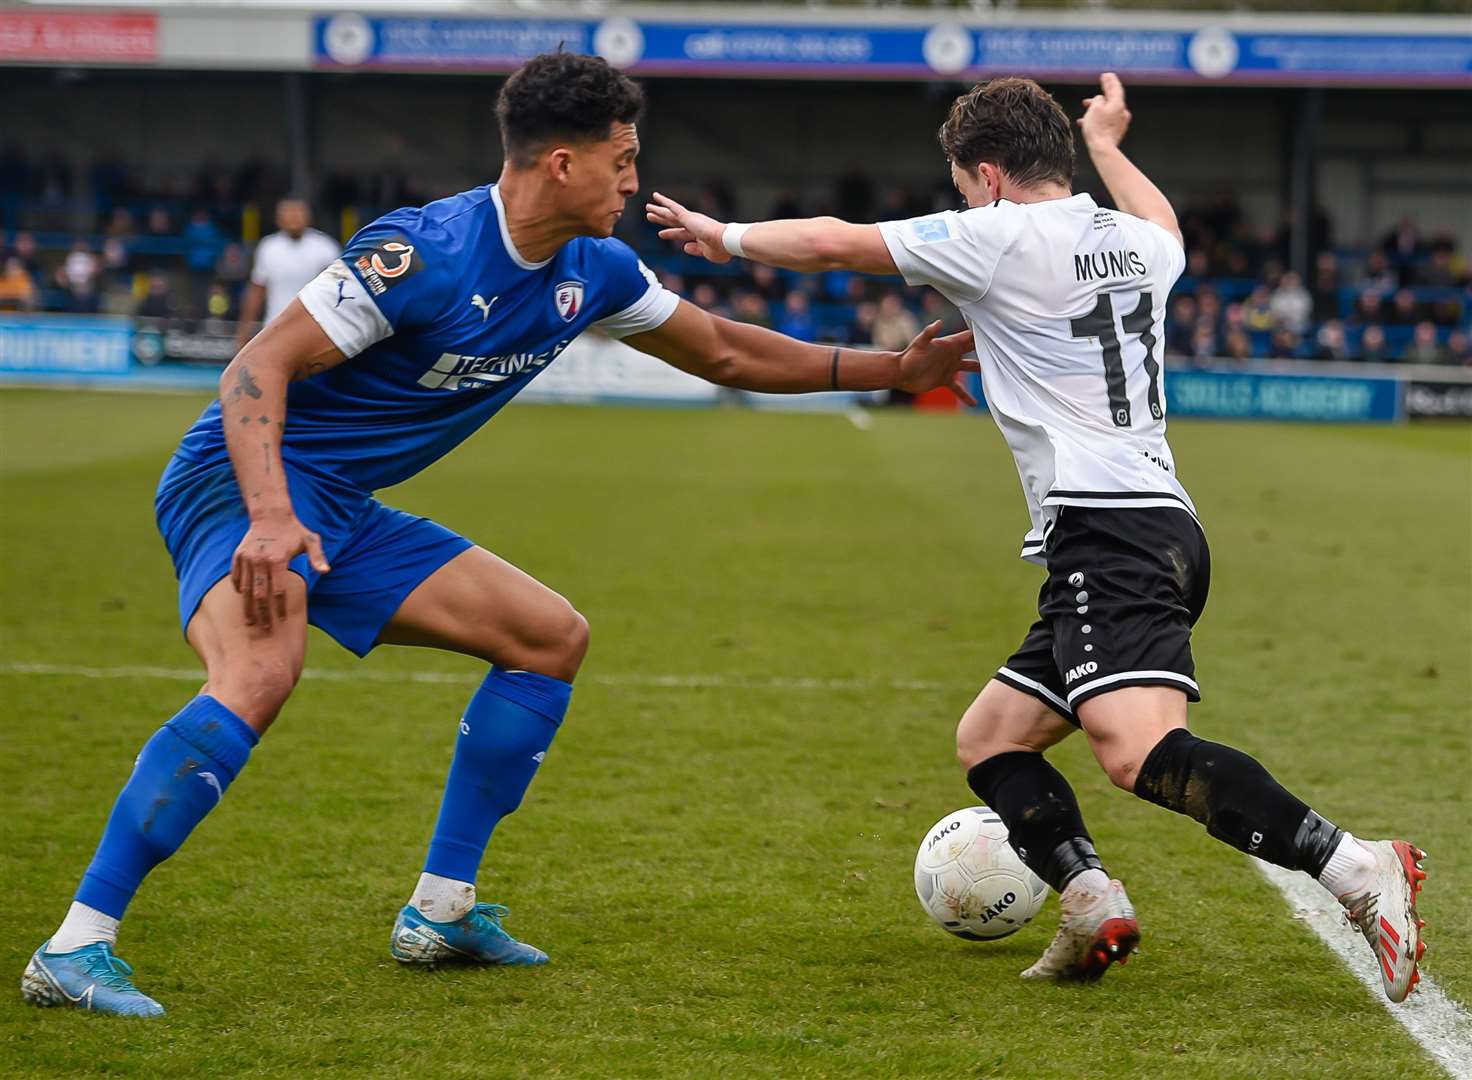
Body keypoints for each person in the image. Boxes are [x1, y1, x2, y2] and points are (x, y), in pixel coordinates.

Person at [21, 51, 974, 1018]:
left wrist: (889, 369)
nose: (636, 182)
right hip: (241, 481)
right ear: (561, 163)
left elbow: (722, 347)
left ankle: (440, 911)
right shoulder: (424, 251)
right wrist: (270, 517)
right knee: (260, 673)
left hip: (340, 501)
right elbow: (254, 370)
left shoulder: (594, 269)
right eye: (623, 159)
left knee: (547, 636)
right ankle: (77, 943)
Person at [647, 72, 1426, 1001]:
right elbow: (1167, 221)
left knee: (1137, 753)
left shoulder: (998, 234)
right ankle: (1093, 902)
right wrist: (1110, 146)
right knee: (992, 739)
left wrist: (721, 234)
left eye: (962, 183)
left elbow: (829, 243)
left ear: (986, 175)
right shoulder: (1135, 242)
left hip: (1112, 532)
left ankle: (1355, 866)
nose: (961, 200)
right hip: (1151, 522)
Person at [233, 197, 341, 350]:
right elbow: (257, 291)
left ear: (308, 217)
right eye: (288, 212)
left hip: (315, 330)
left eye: (298, 211)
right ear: (278, 219)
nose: (293, 217)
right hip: (274, 327)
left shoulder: (325, 248)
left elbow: (337, 291)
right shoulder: (268, 247)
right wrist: (244, 331)